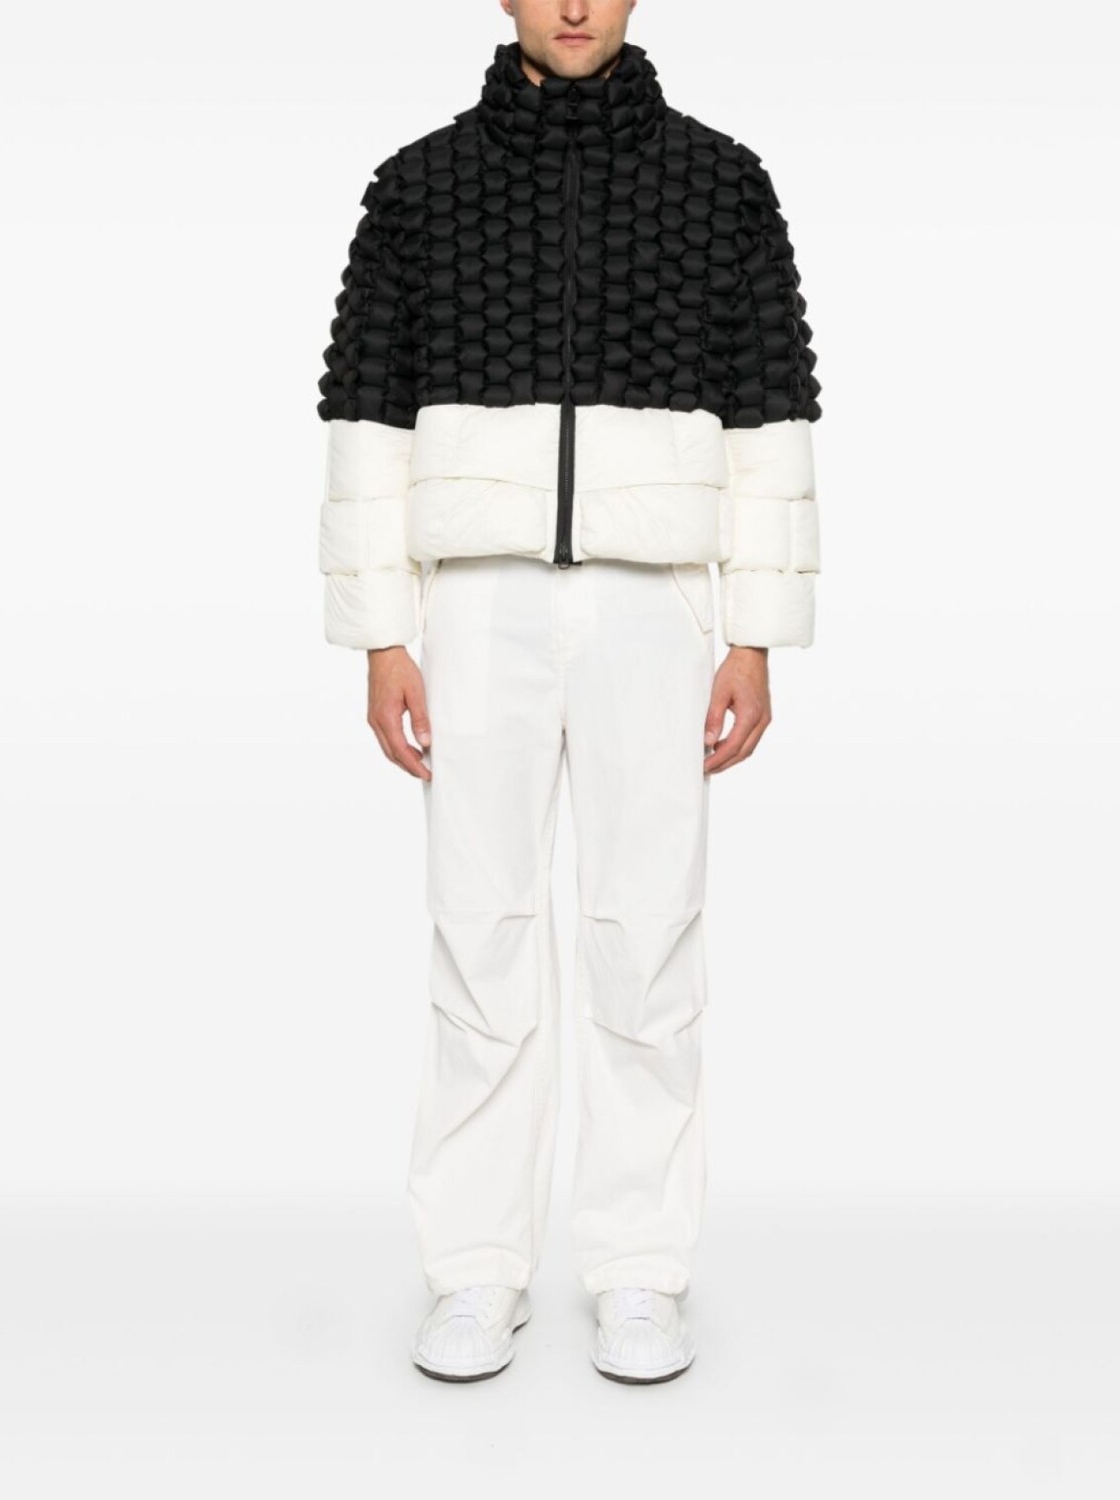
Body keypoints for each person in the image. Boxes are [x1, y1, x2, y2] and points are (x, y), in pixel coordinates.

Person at [315, 0, 822, 1384]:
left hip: (656, 604)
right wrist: (382, 633)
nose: (577, 6)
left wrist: (754, 633)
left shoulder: (719, 182)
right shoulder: (419, 187)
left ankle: (639, 1267)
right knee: (476, 932)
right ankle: (476, 1268)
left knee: (647, 934)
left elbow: (770, 412)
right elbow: (365, 417)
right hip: (475, 602)